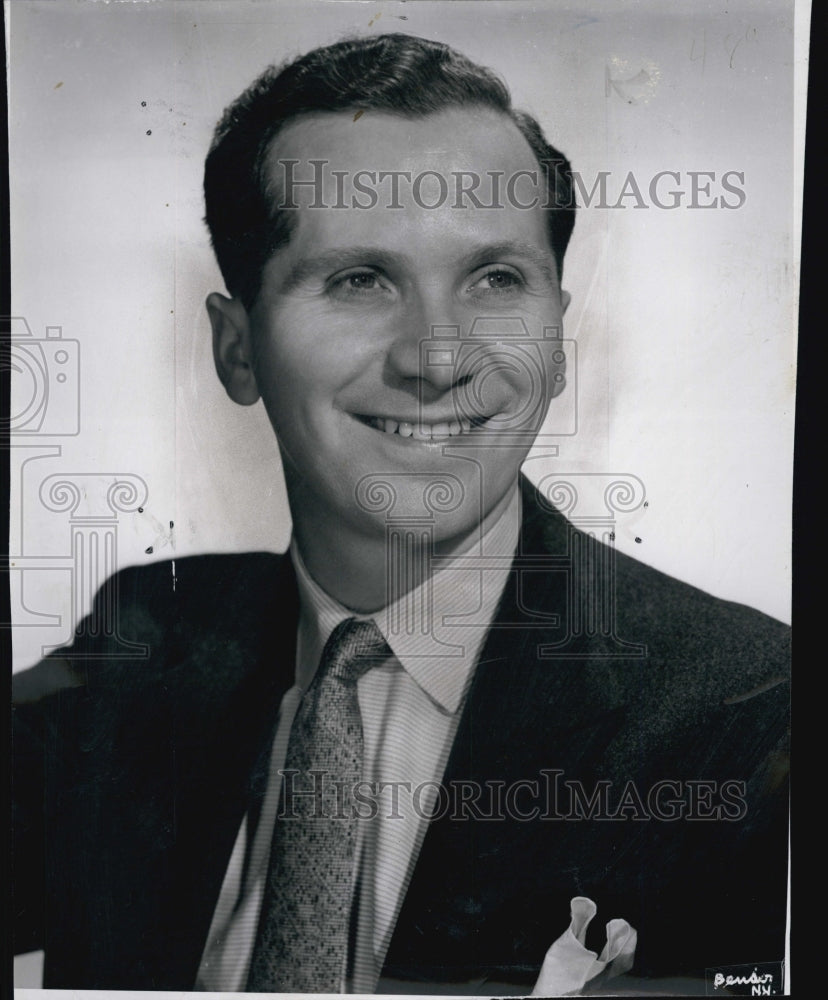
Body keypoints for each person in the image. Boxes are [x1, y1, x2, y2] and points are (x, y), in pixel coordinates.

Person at [12, 32, 789, 995]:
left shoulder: (756, 716)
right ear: (237, 348)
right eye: (360, 281)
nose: (437, 358)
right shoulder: (150, 636)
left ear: (556, 333)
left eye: (495, 279)